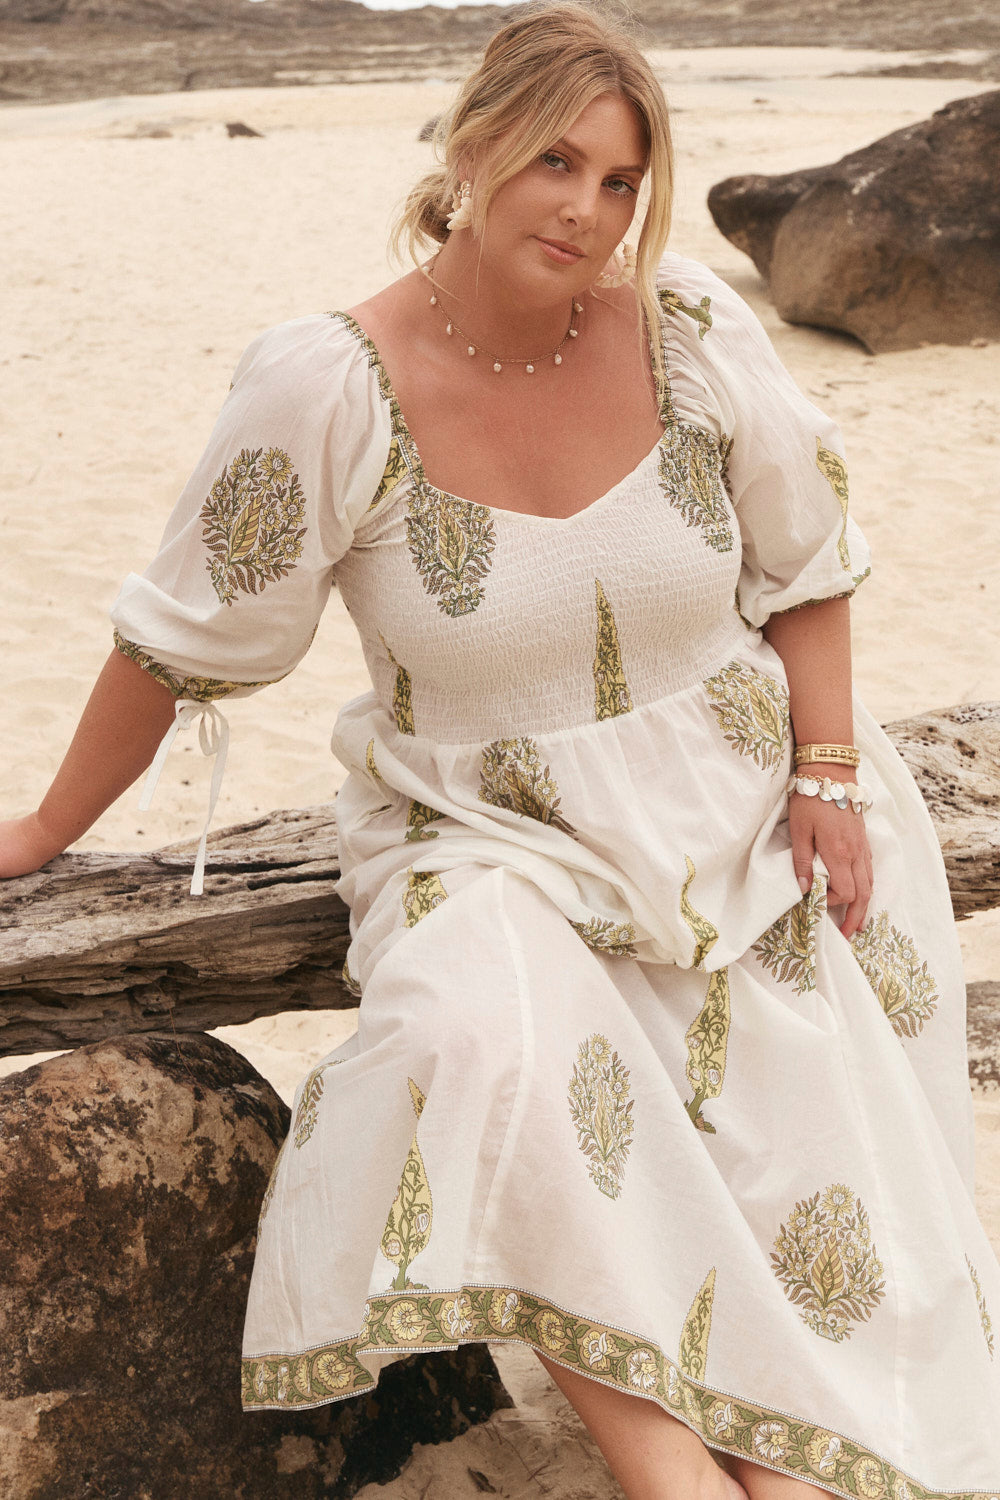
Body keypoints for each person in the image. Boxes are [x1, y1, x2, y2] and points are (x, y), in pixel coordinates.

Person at [2, 3, 998, 1495]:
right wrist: (33, 833)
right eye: (555, 163)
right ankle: (673, 1479)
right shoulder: (324, 386)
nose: (587, 212)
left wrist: (831, 774)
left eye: (619, 181)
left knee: (804, 1264)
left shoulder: (692, 332)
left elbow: (811, 563)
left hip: (742, 810)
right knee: (476, 1045)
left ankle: (780, 1461)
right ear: (471, 146)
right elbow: (178, 639)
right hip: (485, 830)